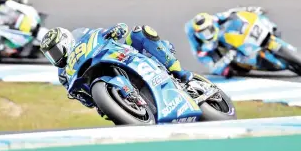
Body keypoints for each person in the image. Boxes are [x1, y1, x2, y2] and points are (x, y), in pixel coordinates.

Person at [39, 23, 193, 117]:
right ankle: (130, 107)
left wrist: (115, 30)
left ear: (66, 41)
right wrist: (97, 102)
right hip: (98, 81)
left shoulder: (84, 35)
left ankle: (178, 71)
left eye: (56, 51)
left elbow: (105, 33)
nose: (56, 57)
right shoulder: (63, 75)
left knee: (140, 31)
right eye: (51, 55)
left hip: (121, 56)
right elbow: (82, 98)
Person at [184, 6, 281, 78]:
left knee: (243, 20)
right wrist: (224, 64)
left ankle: (270, 27)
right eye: (203, 33)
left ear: (212, 24)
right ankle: (241, 62)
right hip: (212, 48)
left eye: (209, 30)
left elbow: (232, 12)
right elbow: (209, 64)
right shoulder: (199, 47)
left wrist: (253, 9)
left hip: (222, 34)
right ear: (198, 34)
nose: (208, 34)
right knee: (224, 71)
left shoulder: (215, 18)